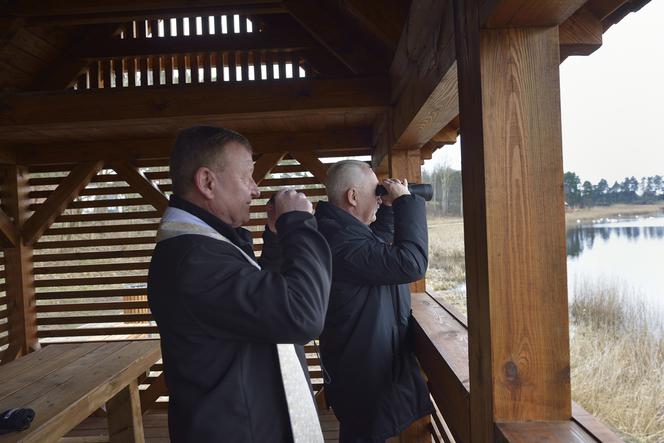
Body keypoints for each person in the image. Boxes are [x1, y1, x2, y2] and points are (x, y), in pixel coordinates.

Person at [148, 125, 332, 442]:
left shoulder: (203, 245)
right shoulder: (194, 259)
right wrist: (298, 225)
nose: (255, 189)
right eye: (247, 175)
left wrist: (274, 239)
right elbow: (302, 314)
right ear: (207, 182)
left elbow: (257, 298)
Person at [314, 160, 433, 442]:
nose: (380, 198)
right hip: (362, 373)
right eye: (375, 193)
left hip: (359, 363)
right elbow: (411, 264)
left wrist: (390, 209)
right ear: (353, 197)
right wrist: (406, 202)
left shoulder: (339, 231)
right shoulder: (340, 241)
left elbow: (374, 245)